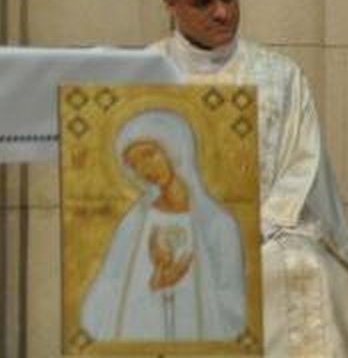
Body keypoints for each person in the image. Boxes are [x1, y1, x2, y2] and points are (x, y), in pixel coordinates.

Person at [151, 0, 348, 356]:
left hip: (264, 232)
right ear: (170, 4)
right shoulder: (145, 76)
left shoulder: (278, 75)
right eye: (203, 2)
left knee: (306, 268)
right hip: (172, 233)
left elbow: (300, 167)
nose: (223, 12)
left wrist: (252, 229)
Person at [81, 109, 247, 342]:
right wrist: (154, 285)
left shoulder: (218, 225)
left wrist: (182, 288)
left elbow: (234, 309)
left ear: (176, 148)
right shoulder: (134, 222)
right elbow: (105, 295)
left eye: (149, 154)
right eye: (134, 164)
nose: (144, 169)